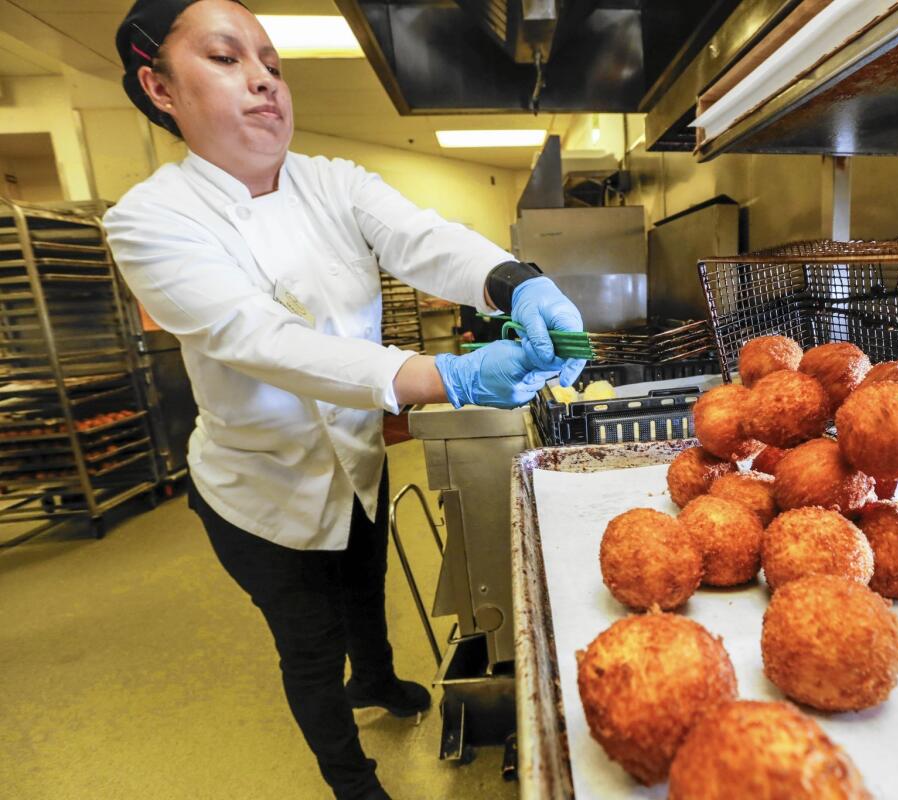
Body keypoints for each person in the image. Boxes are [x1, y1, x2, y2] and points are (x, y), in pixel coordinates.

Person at [103, 2, 586, 798]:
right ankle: (352, 780)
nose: (262, 80)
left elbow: (422, 238)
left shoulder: (332, 182)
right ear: (159, 87)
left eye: (270, 62)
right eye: (227, 60)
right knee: (310, 643)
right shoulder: (150, 220)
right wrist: (447, 376)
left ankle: (384, 681)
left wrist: (517, 280)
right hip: (259, 492)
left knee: (365, 588)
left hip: (354, 457)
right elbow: (258, 339)